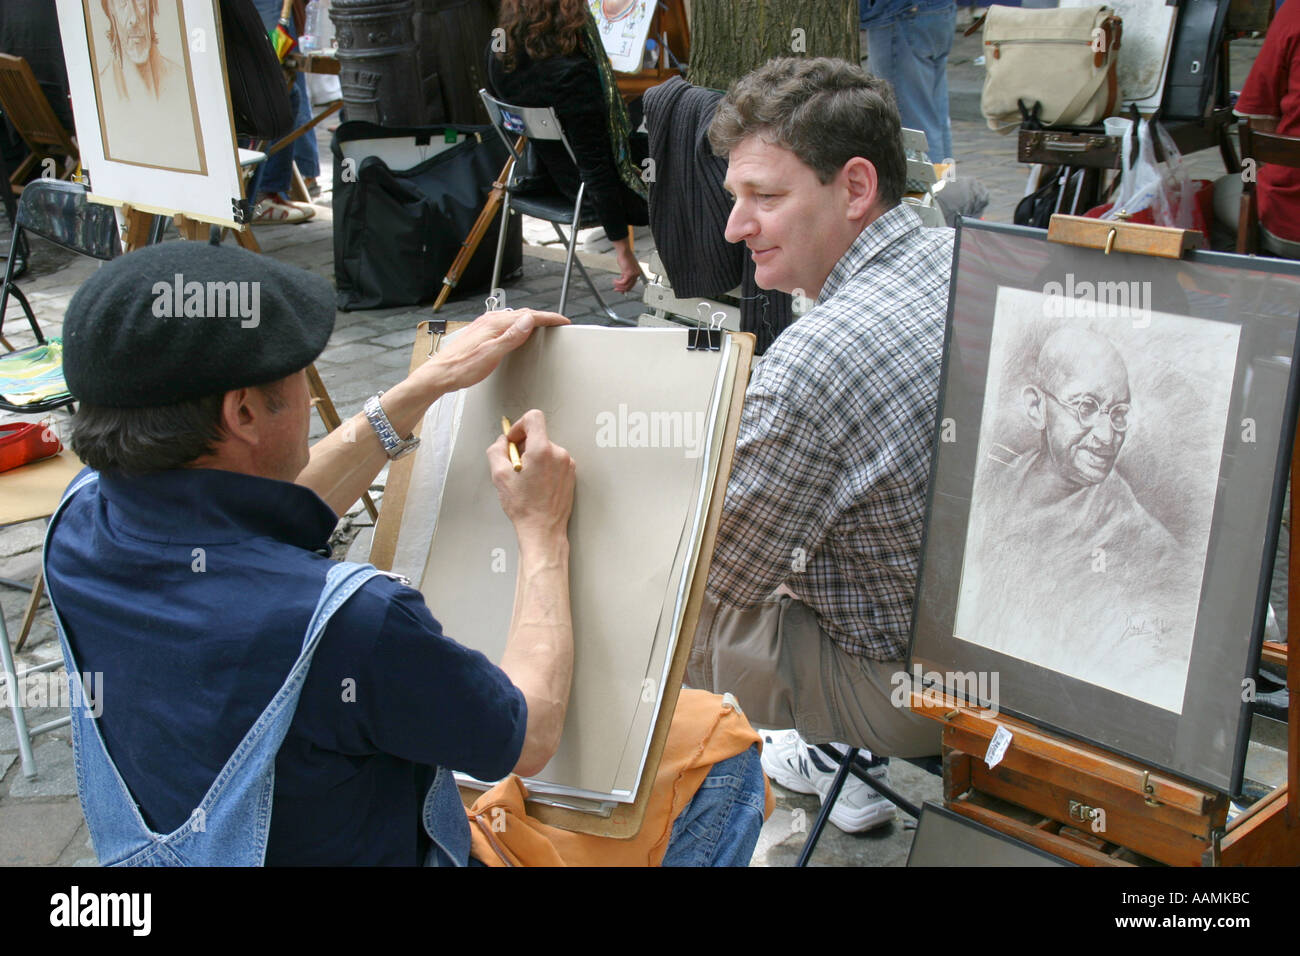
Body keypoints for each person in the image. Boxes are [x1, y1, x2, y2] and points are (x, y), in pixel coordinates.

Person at [43, 240, 767, 866]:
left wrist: (423, 390)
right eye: (298, 373)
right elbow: (528, 736)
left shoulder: (77, 528)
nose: (304, 386)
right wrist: (542, 531)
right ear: (241, 412)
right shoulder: (345, 623)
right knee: (719, 745)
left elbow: (264, 505)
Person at [686, 57, 954, 834]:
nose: (735, 227)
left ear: (857, 188)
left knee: (653, 597)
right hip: (1012, 637)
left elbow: (720, 572)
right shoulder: (959, 255)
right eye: (736, 197)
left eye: (764, 198)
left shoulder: (818, 358)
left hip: (918, 689)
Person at [954, 326, 1192, 710]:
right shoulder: (993, 487)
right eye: (1085, 407)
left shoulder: (1143, 548)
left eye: (1118, 414)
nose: (1107, 435)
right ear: (1036, 407)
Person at [485, 0, 648, 294]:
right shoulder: (572, 74)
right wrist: (623, 251)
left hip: (547, 175)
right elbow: (596, 168)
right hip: (582, 192)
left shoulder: (498, 52)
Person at [1213, 0, 1300, 257]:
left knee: (1225, 191)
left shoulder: (1294, 11)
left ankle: (1246, 286)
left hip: (1289, 220)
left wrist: (1251, 177)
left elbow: (1257, 120)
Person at [859, 0, 956, 163]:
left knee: (911, 124)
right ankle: (943, 183)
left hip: (901, 13)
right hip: (935, 10)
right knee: (934, 118)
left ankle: (927, 185)